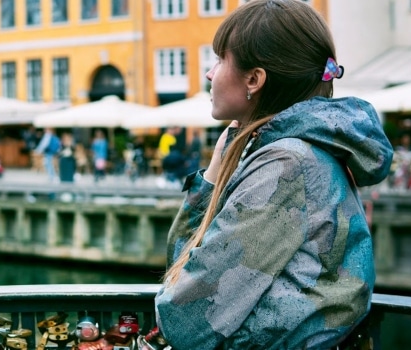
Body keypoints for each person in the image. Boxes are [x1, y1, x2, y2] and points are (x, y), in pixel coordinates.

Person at [150, 1, 393, 349]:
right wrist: (215, 173)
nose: (209, 73)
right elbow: (181, 269)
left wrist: (214, 181)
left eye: (220, 60)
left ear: (254, 79)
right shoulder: (300, 151)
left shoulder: (286, 165)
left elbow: (185, 319)